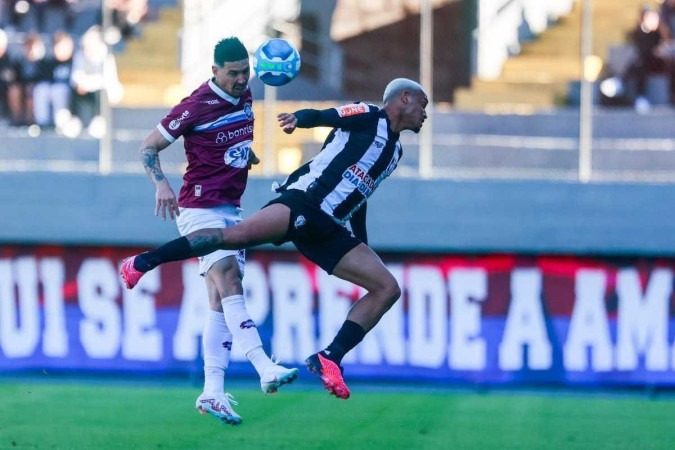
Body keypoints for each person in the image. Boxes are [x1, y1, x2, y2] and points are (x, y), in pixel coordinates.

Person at [121, 77, 428, 400]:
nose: (425, 113)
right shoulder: (368, 115)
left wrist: (361, 244)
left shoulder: (394, 152)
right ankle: (143, 261)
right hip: (304, 203)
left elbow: (360, 195)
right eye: (423, 104)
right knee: (230, 237)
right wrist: (300, 120)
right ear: (404, 98)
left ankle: (329, 357)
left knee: (387, 288)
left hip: (330, 229)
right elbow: (329, 116)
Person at [121, 36, 298, 426]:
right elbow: (148, 147)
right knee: (231, 281)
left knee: (218, 301)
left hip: (230, 207)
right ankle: (263, 365)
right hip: (200, 207)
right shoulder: (195, 105)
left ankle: (213, 391)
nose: (240, 79)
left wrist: (242, 153)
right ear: (214, 71)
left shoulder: (247, 95)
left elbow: (229, 138)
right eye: (232, 73)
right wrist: (161, 184)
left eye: (244, 72)